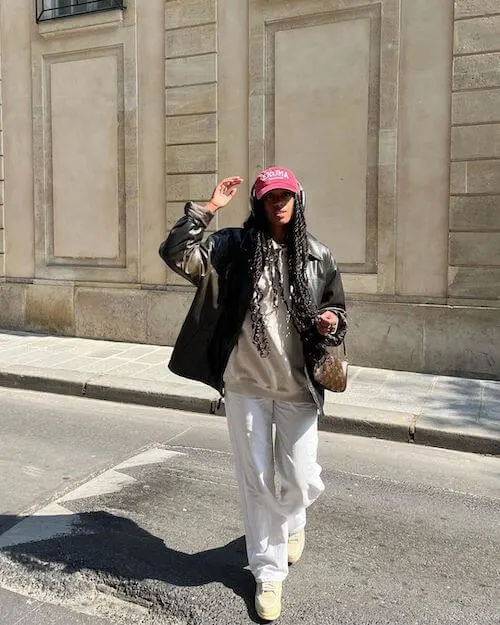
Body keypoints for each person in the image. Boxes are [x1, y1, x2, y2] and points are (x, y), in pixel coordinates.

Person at [159, 167, 347, 621]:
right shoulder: (232, 248)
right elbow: (176, 253)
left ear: (297, 199)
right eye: (269, 197)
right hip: (245, 385)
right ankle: (267, 573)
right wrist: (206, 211)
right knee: (257, 481)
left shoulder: (318, 255)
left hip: (297, 387)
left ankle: (294, 519)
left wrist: (332, 320)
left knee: (300, 478)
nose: (278, 203)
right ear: (258, 203)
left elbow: (338, 307)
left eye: (285, 195)